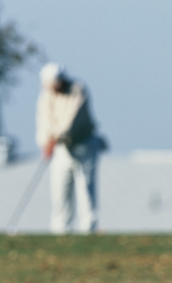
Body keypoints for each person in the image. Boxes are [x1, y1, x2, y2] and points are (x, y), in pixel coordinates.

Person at [36, 62, 103, 234]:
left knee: (85, 190)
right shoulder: (46, 95)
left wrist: (54, 137)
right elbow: (44, 120)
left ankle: (88, 229)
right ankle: (60, 230)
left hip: (84, 146)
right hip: (60, 150)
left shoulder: (77, 89)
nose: (53, 89)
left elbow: (71, 120)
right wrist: (45, 141)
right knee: (59, 191)